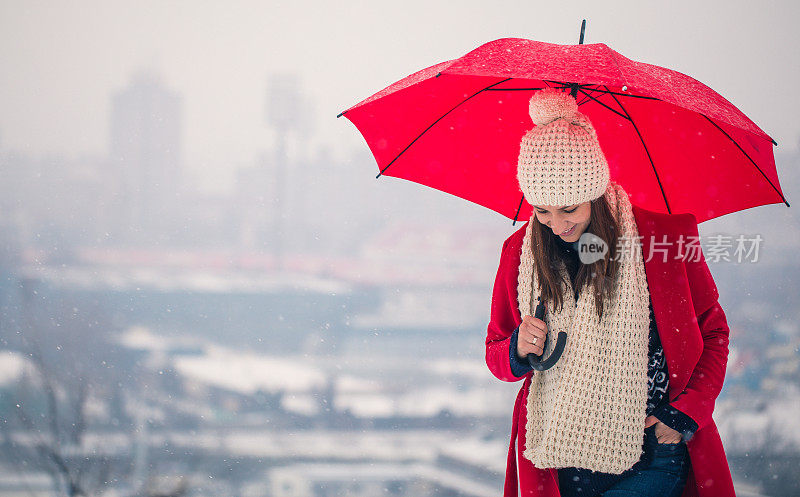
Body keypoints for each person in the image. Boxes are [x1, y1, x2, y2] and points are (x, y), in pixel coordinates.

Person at [485, 89, 735, 497]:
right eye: (542, 210)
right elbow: (496, 354)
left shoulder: (664, 240)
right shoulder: (519, 253)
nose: (556, 224)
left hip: (653, 450)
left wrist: (686, 413)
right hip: (558, 454)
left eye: (570, 209)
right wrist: (517, 348)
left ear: (596, 193)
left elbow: (714, 334)